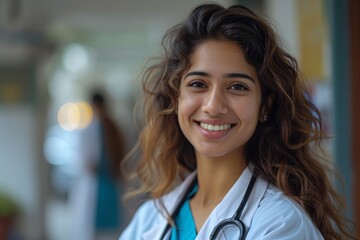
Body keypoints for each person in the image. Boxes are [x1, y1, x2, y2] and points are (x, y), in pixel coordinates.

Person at [119, 4, 354, 240]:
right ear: (175, 97)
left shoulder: (281, 224)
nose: (213, 105)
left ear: (265, 106)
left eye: (237, 87)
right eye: (198, 84)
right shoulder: (150, 220)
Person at [70, 91, 125, 240]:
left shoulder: (109, 128)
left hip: (107, 183)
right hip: (100, 184)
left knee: (106, 226)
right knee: (98, 225)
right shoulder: (96, 128)